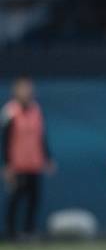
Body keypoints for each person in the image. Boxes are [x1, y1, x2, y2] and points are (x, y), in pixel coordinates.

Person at [1, 77, 55, 241]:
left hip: (34, 163)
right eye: (23, 89)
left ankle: (28, 231)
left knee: (34, 199)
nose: (27, 92)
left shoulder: (36, 110)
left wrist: (47, 158)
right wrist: (6, 165)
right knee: (15, 199)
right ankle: (10, 232)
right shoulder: (9, 112)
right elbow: (4, 141)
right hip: (17, 164)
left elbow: (41, 137)